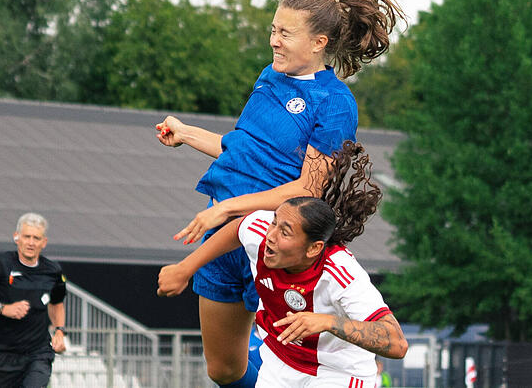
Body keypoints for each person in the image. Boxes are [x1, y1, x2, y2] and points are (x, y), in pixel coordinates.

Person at [155, 0, 405, 387]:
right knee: (223, 370)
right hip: (222, 231)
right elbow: (243, 152)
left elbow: (309, 187)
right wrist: (186, 133)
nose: (274, 40)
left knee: (287, 358)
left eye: (285, 33)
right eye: (274, 29)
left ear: (319, 42)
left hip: (271, 241)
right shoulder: (270, 77)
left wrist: (231, 207)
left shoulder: (335, 102)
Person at [158, 141, 408, 387]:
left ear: (314, 248)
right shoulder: (261, 230)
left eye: (285, 232)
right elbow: (238, 228)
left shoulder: (341, 274)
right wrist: (185, 268)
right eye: (274, 222)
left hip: (339, 372)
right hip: (282, 362)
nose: (271, 236)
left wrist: (327, 322)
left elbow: (397, 343)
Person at [0, 213, 67, 388]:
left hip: (38, 353)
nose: (31, 242)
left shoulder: (53, 271)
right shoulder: (0, 263)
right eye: (27, 236)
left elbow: (56, 304)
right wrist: (2, 308)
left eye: (36, 238)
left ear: (44, 242)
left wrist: (59, 331)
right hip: (2, 355)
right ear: (16, 237)